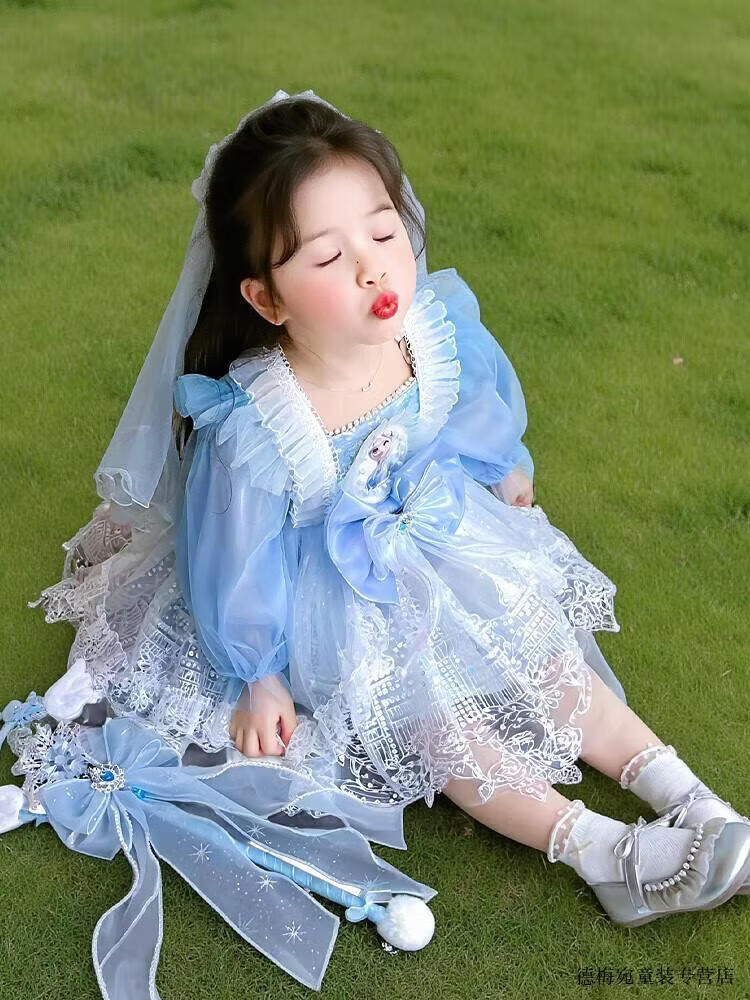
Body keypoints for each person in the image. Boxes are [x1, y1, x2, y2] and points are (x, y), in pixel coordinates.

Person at [31, 89, 750, 934]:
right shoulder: (260, 422)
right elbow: (234, 557)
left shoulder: (427, 330)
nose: (374, 269)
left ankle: (687, 796)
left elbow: (471, 405)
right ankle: (603, 852)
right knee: (437, 723)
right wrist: (259, 674)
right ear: (267, 299)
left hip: (440, 534)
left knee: (542, 649)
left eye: (381, 232)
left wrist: (503, 464)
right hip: (328, 595)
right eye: (329, 258)